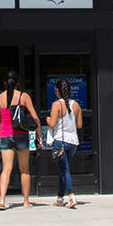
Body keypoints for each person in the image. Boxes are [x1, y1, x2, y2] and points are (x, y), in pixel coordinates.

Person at [0, 71, 39, 210]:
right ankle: (26, 201)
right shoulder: (23, 96)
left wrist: (1, 136)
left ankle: (2, 200)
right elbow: (35, 117)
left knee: (6, 169)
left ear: (4, 83)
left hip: (5, 134)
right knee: (24, 170)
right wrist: (38, 135)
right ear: (18, 82)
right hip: (21, 134)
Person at [46, 79, 83, 208]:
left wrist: (47, 119)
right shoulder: (76, 105)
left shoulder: (56, 105)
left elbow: (52, 124)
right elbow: (79, 125)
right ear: (69, 90)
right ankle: (60, 198)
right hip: (73, 142)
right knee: (63, 170)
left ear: (57, 91)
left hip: (60, 141)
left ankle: (71, 196)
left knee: (64, 170)